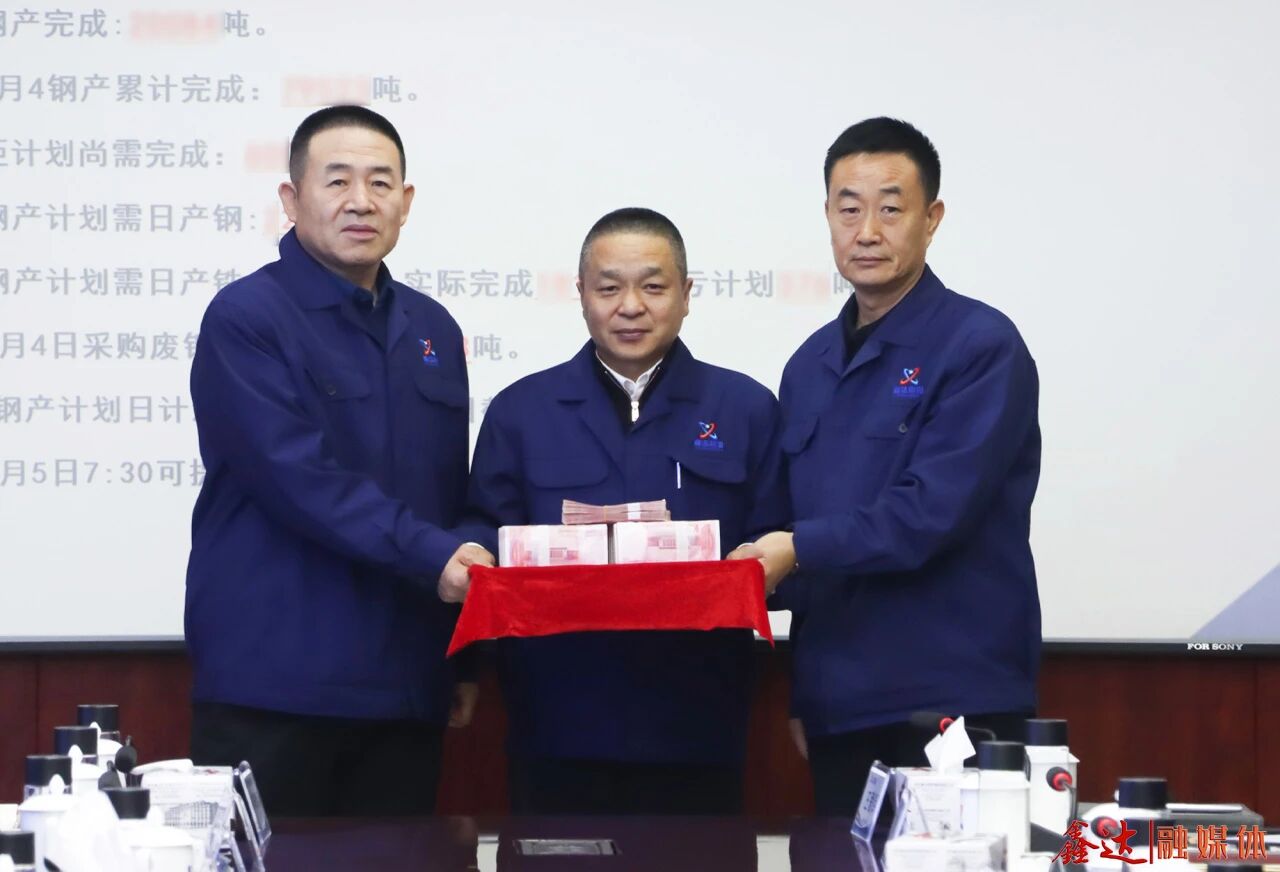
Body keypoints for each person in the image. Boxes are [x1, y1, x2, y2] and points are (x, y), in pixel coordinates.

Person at [185, 105, 493, 816]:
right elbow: (300, 479)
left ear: (405, 202)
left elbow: (449, 496)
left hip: (406, 686)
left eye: (381, 183)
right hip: (276, 686)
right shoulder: (247, 317)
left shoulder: (433, 328)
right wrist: (437, 557)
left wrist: (464, 655)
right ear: (291, 199)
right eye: (337, 181)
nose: (361, 201)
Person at [749, 117, 1042, 814]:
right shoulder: (809, 365)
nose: (867, 232)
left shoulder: (980, 346)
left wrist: (793, 549)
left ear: (931, 219)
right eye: (849, 209)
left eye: (890, 208)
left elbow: (929, 514)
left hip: (952, 699)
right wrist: (805, 690)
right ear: (827, 216)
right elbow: (792, 526)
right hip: (839, 703)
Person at [459, 207, 789, 814]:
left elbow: (779, 537)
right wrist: (474, 553)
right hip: (554, 722)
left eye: (653, 287)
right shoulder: (521, 411)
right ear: (581, 294)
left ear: (687, 295)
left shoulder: (744, 407)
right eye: (609, 288)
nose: (630, 307)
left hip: (699, 727)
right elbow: (484, 527)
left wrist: (769, 557)